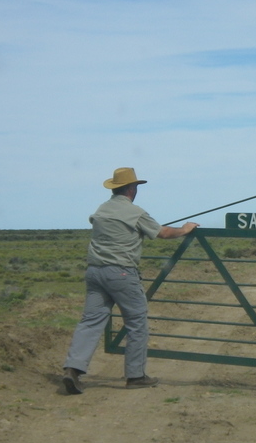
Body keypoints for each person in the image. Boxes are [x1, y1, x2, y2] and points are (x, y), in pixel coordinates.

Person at [62, 167, 199, 394]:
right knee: (136, 322)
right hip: (122, 274)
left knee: (90, 321)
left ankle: (73, 369)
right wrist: (185, 229)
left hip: (95, 272)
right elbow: (164, 233)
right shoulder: (135, 212)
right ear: (131, 188)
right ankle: (135, 375)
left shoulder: (102, 209)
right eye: (135, 186)